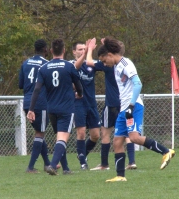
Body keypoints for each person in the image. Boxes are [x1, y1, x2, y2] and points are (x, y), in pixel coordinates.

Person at [97, 37, 175, 182]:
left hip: (133, 106)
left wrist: (131, 106)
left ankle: (166, 151)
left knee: (133, 137)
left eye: (104, 60)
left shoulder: (127, 64)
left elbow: (138, 84)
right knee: (117, 142)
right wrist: (105, 44)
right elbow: (116, 48)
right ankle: (120, 176)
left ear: (109, 55)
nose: (104, 64)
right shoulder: (116, 64)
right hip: (123, 108)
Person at [27, 39, 84, 175]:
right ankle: (52, 165)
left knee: (59, 138)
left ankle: (66, 169)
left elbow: (36, 90)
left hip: (51, 108)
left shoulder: (44, 68)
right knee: (62, 138)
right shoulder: (69, 66)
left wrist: (31, 109)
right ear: (64, 50)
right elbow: (78, 85)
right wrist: (79, 94)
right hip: (66, 108)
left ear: (51, 51)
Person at [86, 38, 137, 171]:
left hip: (112, 103)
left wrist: (90, 49)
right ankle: (132, 162)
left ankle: (104, 164)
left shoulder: (107, 65)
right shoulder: (124, 64)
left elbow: (89, 62)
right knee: (128, 133)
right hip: (126, 102)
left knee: (105, 133)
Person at [19, 39, 58, 173]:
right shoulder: (47, 65)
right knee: (40, 134)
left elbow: (20, 84)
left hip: (26, 102)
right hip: (40, 102)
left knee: (39, 133)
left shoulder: (25, 63)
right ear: (45, 49)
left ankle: (47, 163)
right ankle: (30, 167)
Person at [70, 41, 101, 170]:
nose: (82, 51)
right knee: (81, 133)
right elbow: (74, 71)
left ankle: (82, 154)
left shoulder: (90, 64)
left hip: (91, 103)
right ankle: (83, 162)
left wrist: (93, 51)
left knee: (95, 135)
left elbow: (105, 64)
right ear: (74, 52)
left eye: (84, 49)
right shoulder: (71, 64)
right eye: (80, 49)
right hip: (78, 103)